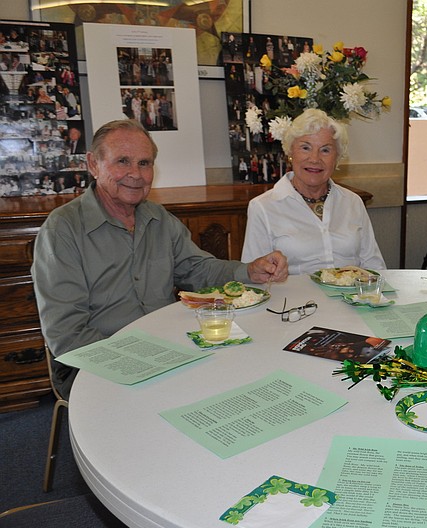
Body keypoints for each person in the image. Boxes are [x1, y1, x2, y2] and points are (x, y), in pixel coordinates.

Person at [31, 119, 288, 399]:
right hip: (94, 361)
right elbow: (67, 334)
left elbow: (198, 269)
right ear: (93, 164)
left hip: (167, 349)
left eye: (144, 163)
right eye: (122, 161)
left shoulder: (159, 218)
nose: (135, 174)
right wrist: (140, 362)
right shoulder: (62, 229)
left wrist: (248, 271)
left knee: (250, 375)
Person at [241, 109, 386, 273]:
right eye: (305, 148)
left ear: (337, 158)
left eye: (325, 150)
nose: (315, 159)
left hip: (351, 298)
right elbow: (254, 278)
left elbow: (374, 266)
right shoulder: (263, 207)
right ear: (290, 153)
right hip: (293, 298)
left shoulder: (353, 202)